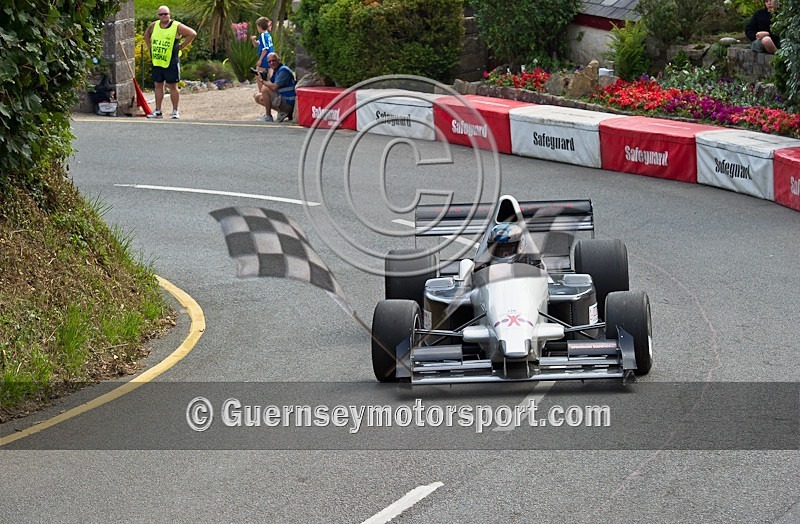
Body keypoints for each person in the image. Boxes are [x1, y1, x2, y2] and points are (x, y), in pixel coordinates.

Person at [143, 6, 196, 119]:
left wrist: (182, 46)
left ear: (169, 14)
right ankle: (158, 111)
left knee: (173, 86)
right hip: (157, 60)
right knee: (158, 85)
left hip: (171, 61)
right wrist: (150, 47)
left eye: (165, 14)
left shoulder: (176, 26)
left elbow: (192, 33)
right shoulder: (154, 25)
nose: (163, 16)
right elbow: (146, 35)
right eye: (161, 14)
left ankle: (175, 111)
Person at [253, 52, 296, 123]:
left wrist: (263, 82)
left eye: (273, 60)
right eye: (269, 62)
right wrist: (263, 77)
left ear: (279, 60)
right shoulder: (276, 71)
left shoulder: (283, 70)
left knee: (265, 89)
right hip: (283, 100)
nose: (272, 63)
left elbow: (274, 87)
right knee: (258, 97)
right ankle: (282, 112)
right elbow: (270, 83)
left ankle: (268, 116)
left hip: (289, 103)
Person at [251, 17, 274, 90]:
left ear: (259, 26)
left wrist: (260, 59)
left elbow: (265, 49)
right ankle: (270, 90)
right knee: (270, 75)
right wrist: (253, 40)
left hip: (265, 58)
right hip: (271, 57)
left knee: (258, 74)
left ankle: (262, 92)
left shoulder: (263, 35)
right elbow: (257, 44)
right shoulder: (267, 35)